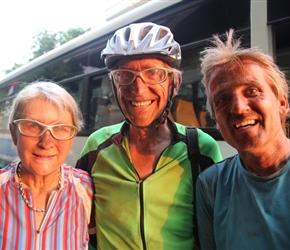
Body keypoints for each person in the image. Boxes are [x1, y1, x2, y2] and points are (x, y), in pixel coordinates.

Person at [76, 22, 223, 249]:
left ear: (175, 83)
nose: (139, 88)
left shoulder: (201, 149)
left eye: (153, 73)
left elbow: (216, 231)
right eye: (125, 74)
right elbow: (76, 219)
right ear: (114, 84)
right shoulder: (97, 147)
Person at [196, 29, 290, 249]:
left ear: (282, 104)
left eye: (252, 91)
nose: (238, 108)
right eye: (223, 99)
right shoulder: (212, 185)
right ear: (217, 121)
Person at [0, 81, 94, 249]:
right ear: (14, 133)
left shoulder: (87, 190)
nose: (46, 142)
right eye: (33, 126)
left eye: (60, 128)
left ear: (72, 137)